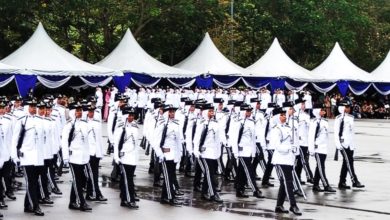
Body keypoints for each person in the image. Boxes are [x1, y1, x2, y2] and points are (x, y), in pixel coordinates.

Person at [11, 98, 45, 216]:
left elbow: (42, 141)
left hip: (37, 158)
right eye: (31, 106)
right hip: (26, 157)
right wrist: (14, 157)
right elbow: (15, 140)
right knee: (31, 182)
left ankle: (27, 205)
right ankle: (36, 206)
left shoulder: (40, 120)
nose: (34, 108)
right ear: (27, 107)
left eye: (35, 106)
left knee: (35, 182)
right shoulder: (22, 121)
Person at [270, 107, 302, 216]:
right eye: (281, 115)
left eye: (285, 115)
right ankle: (293, 205)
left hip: (288, 159)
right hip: (280, 159)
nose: (284, 117)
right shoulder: (275, 129)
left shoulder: (289, 127)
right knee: (288, 182)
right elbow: (277, 146)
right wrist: (289, 148)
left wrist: (295, 150)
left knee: (285, 183)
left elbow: (294, 141)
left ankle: (279, 205)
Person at [61, 102, 92, 211]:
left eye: (80, 110)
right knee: (77, 180)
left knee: (80, 180)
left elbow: (86, 142)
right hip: (73, 157)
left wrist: (88, 155)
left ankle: (72, 202)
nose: (80, 112)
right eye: (77, 110)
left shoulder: (84, 124)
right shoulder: (69, 125)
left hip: (83, 157)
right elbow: (64, 142)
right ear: (73, 112)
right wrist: (65, 157)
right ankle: (81, 202)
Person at [229, 104, 265, 199]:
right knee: (249, 171)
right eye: (247, 111)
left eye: (250, 111)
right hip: (241, 151)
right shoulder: (238, 122)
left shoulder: (251, 122)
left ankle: (239, 189)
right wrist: (235, 152)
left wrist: (253, 152)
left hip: (248, 151)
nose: (249, 113)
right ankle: (255, 190)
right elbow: (234, 138)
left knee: (242, 172)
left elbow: (253, 139)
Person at [193, 103, 227, 203]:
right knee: (209, 174)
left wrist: (222, 146)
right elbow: (196, 138)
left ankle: (204, 193)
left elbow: (219, 137)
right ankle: (213, 194)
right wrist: (195, 150)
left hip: (212, 152)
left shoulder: (215, 123)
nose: (212, 113)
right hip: (203, 152)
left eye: (213, 111)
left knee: (210, 173)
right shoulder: (201, 123)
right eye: (210, 111)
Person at [153, 104, 183, 206]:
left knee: (170, 177)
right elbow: (156, 141)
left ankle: (164, 197)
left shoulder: (176, 123)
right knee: (167, 178)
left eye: (173, 111)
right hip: (165, 154)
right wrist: (160, 154)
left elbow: (179, 140)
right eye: (170, 112)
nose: (172, 113)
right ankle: (170, 197)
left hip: (173, 154)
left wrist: (180, 153)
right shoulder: (162, 124)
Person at [334, 99, 365, 190]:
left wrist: (353, 145)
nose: (348, 109)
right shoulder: (338, 118)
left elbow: (351, 133)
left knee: (346, 163)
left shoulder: (350, 118)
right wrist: (338, 144)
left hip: (349, 144)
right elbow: (336, 133)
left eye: (349, 107)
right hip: (342, 144)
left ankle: (341, 182)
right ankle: (354, 181)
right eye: (346, 107)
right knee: (349, 162)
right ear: (342, 108)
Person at [113, 107, 140, 209]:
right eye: (129, 115)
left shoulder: (135, 127)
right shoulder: (120, 127)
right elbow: (116, 143)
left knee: (129, 179)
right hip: (124, 157)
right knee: (127, 180)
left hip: (133, 158)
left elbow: (136, 144)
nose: (131, 117)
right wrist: (116, 157)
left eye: (132, 115)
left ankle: (124, 199)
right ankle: (130, 200)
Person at [308, 104, 336, 192]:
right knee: (321, 167)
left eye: (324, 109)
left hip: (324, 148)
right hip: (318, 148)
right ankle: (326, 185)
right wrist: (311, 150)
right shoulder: (314, 122)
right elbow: (311, 137)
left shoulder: (324, 122)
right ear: (317, 111)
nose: (324, 111)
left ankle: (315, 185)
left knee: (319, 167)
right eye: (322, 109)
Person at [85, 104, 107, 202]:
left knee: (94, 174)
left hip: (96, 152)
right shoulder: (83, 123)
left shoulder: (97, 122)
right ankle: (97, 193)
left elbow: (99, 139)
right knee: (91, 174)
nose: (91, 113)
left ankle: (90, 194)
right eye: (90, 111)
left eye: (93, 112)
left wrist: (101, 153)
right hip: (87, 152)